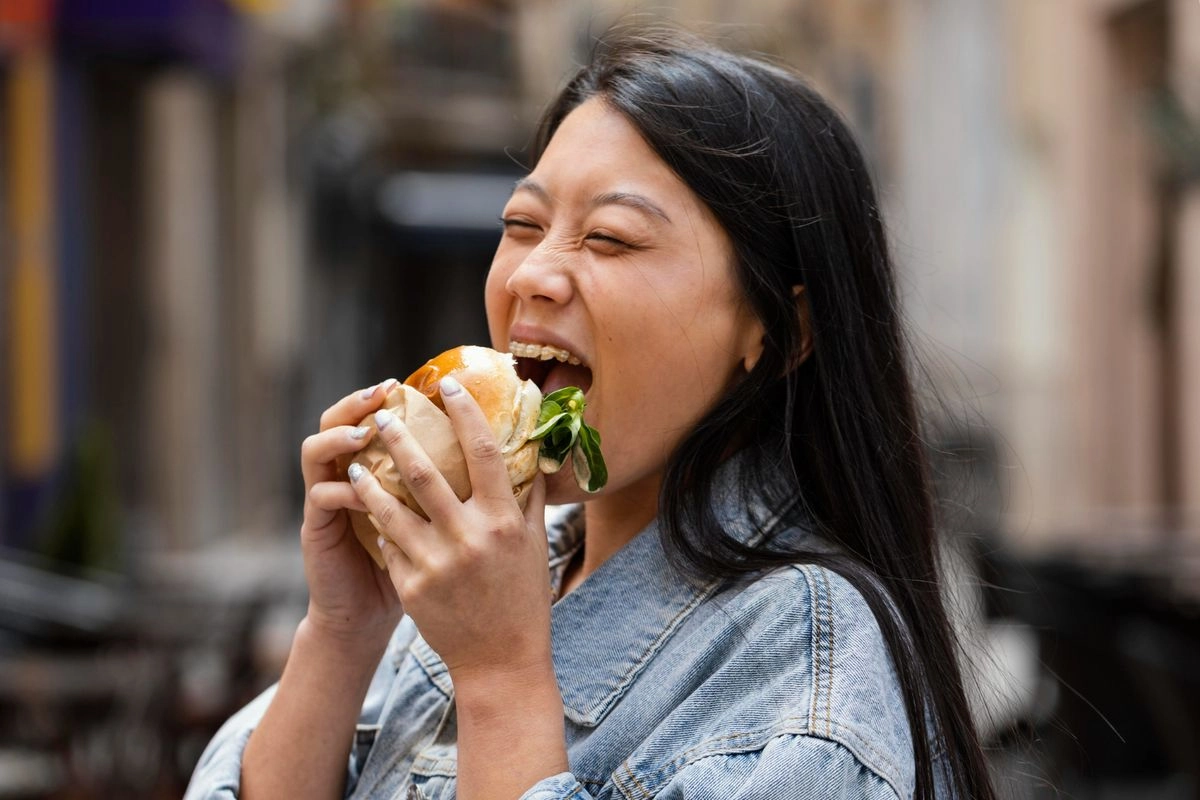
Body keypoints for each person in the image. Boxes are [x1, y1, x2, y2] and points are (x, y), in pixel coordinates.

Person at [186, 27, 996, 800]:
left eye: (609, 239)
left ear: (781, 332)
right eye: (522, 225)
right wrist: (344, 629)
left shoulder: (806, 674)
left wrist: (502, 675)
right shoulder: (493, 571)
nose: (534, 273)